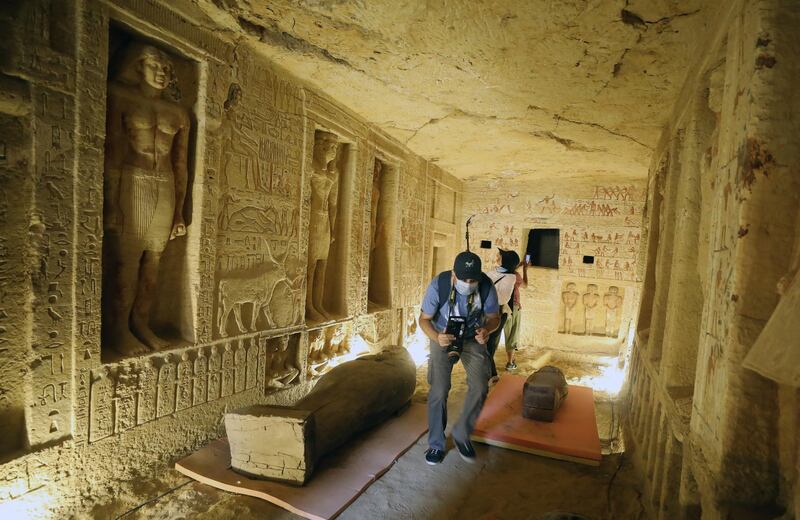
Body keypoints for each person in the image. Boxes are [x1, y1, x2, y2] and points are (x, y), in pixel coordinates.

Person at [419, 251, 501, 465]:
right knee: (439, 389)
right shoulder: (440, 285)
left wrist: (487, 331)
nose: (468, 283)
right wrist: (437, 337)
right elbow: (424, 320)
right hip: (443, 335)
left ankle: (462, 433)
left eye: (473, 280)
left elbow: (494, 318)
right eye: (464, 279)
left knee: (480, 385)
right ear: (454, 274)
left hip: (473, 337)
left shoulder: (486, 286)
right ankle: (436, 444)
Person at [485, 249, 520, 383]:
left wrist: (486, 292)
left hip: (498, 313)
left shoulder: (511, 277)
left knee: (488, 344)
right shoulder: (495, 271)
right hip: (486, 312)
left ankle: (491, 375)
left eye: (500, 256)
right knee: (487, 344)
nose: (497, 257)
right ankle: (490, 374)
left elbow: (502, 299)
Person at [503, 256, 528, 370]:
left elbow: (510, 269)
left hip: (503, 306)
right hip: (514, 307)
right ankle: (510, 363)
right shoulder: (515, 276)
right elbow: (525, 285)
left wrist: (521, 265)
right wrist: (525, 270)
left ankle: (511, 360)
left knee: (507, 332)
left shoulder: (501, 273)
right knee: (513, 334)